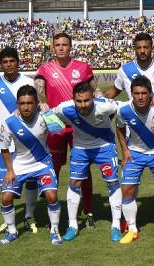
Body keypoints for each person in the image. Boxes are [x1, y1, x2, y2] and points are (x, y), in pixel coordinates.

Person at [35, 32, 97, 227]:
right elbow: (39, 89)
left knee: (83, 169)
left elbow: (94, 90)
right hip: (55, 126)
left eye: (64, 44)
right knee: (53, 169)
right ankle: (52, 213)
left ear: (71, 47)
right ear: (53, 47)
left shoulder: (83, 67)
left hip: (79, 126)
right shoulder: (45, 69)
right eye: (57, 45)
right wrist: (42, 102)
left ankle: (88, 212)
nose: (61, 48)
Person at [51, 81, 122, 242]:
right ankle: (73, 225)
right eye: (79, 101)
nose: (83, 105)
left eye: (86, 100)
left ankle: (116, 225)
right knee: (74, 183)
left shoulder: (105, 105)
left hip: (104, 148)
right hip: (80, 149)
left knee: (112, 183)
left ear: (93, 98)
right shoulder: (64, 108)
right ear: (73, 99)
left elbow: (126, 107)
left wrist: (153, 99)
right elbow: (49, 115)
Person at [0, 47, 38, 235]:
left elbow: (37, 109)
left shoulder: (28, 82)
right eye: (5, 62)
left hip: (27, 141)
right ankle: (9, 222)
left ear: (18, 62)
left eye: (11, 61)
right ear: (1, 64)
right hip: (3, 143)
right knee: (6, 185)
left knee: (30, 181)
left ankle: (29, 215)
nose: (8, 65)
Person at [0, 85, 62, 245]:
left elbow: (59, 129)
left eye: (29, 103)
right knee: (6, 198)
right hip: (19, 165)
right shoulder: (9, 123)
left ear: (36, 103)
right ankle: (12, 230)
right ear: (17, 104)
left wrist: (47, 111)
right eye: (22, 103)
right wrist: (10, 171)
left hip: (43, 164)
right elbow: (4, 148)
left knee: (52, 195)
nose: (25, 107)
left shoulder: (45, 116)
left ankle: (54, 230)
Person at [116, 76, 154, 244]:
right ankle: (132, 229)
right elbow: (119, 128)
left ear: (150, 94)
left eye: (144, 93)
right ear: (131, 94)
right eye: (136, 93)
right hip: (134, 153)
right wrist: (125, 150)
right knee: (127, 189)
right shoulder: (124, 110)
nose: (140, 97)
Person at [105, 32, 154, 102]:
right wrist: (97, 99)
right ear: (135, 49)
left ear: (151, 48)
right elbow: (114, 91)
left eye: (146, 47)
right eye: (139, 48)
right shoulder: (125, 70)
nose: (142, 51)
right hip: (135, 118)